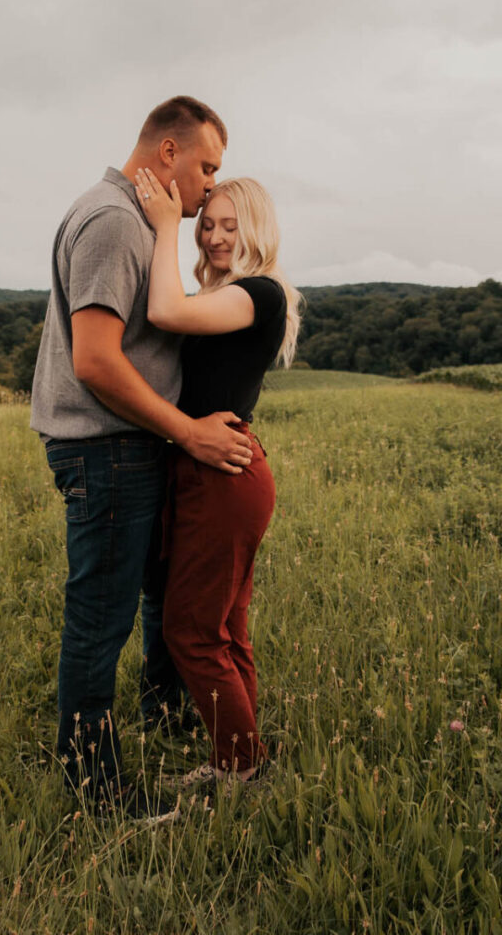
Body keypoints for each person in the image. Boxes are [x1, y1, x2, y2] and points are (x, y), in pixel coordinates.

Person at [30, 96, 255, 816]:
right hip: (108, 452)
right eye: (206, 167)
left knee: (156, 603)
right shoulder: (112, 222)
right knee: (99, 619)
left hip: (132, 448)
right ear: (167, 153)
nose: (210, 187)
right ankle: (95, 790)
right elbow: (95, 361)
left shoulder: (133, 222)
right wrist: (186, 433)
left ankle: (166, 716)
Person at [133, 169, 302, 787]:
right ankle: (242, 759)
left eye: (230, 225)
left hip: (223, 475)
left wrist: (160, 228)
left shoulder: (259, 292)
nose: (213, 237)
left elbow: (164, 309)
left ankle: (238, 769)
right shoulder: (232, 294)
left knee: (191, 631)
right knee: (226, 628)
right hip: (221, 469)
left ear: (256, 228)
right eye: (206, 225)